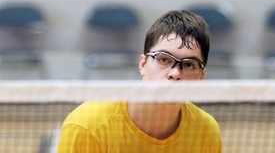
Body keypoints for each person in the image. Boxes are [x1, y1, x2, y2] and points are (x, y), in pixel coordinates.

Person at [57, 10, 222, 153]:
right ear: (143, 64)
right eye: (164, 59)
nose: (175, 73)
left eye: (188, 64)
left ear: (201, 76)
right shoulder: (87, 125)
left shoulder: (206, 131)